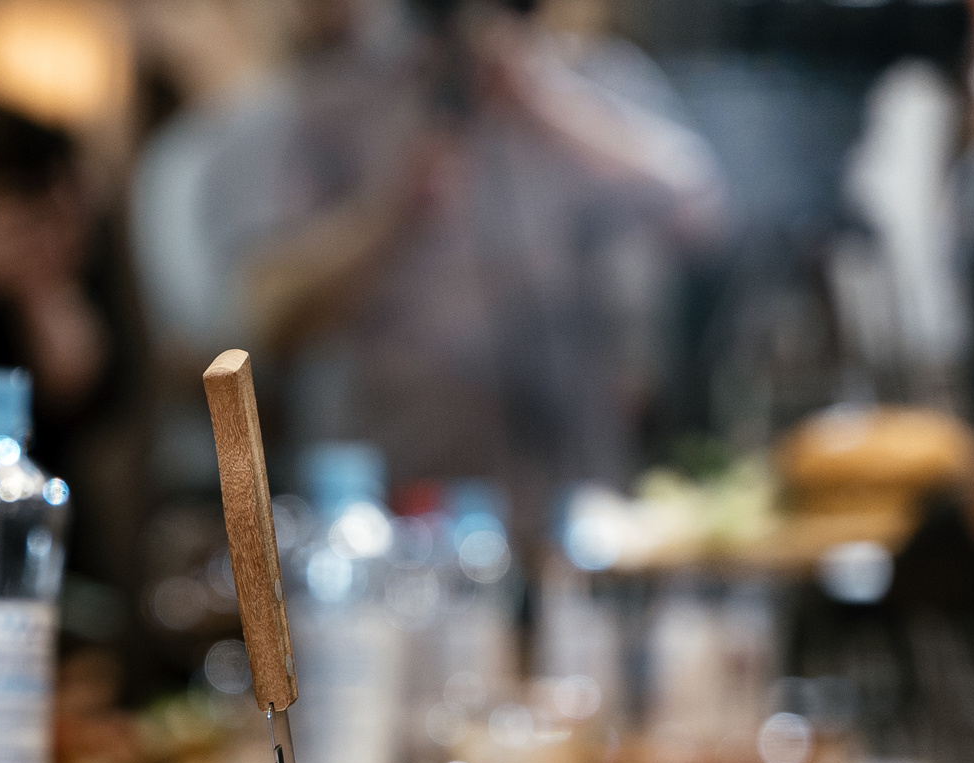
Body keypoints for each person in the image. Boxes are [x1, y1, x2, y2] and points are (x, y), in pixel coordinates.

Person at [156, 0, 723, 545]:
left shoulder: (593, 78)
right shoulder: (335, 105)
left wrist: (544, 105)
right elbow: (262, 314)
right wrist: (388, 215)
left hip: (577, 503)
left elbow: (702, 212)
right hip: (395, 513)